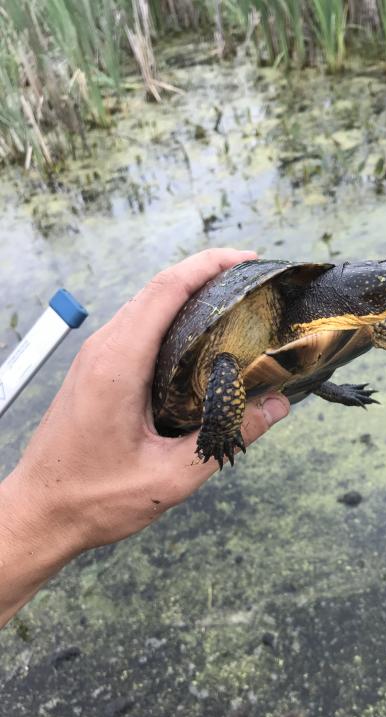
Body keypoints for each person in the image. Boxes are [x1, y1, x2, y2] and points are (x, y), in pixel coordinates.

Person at [0, 249, 290, 629]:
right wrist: (51, 510)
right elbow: (222, 363)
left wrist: (40, 510)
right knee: (224, 365)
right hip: (211, 373)